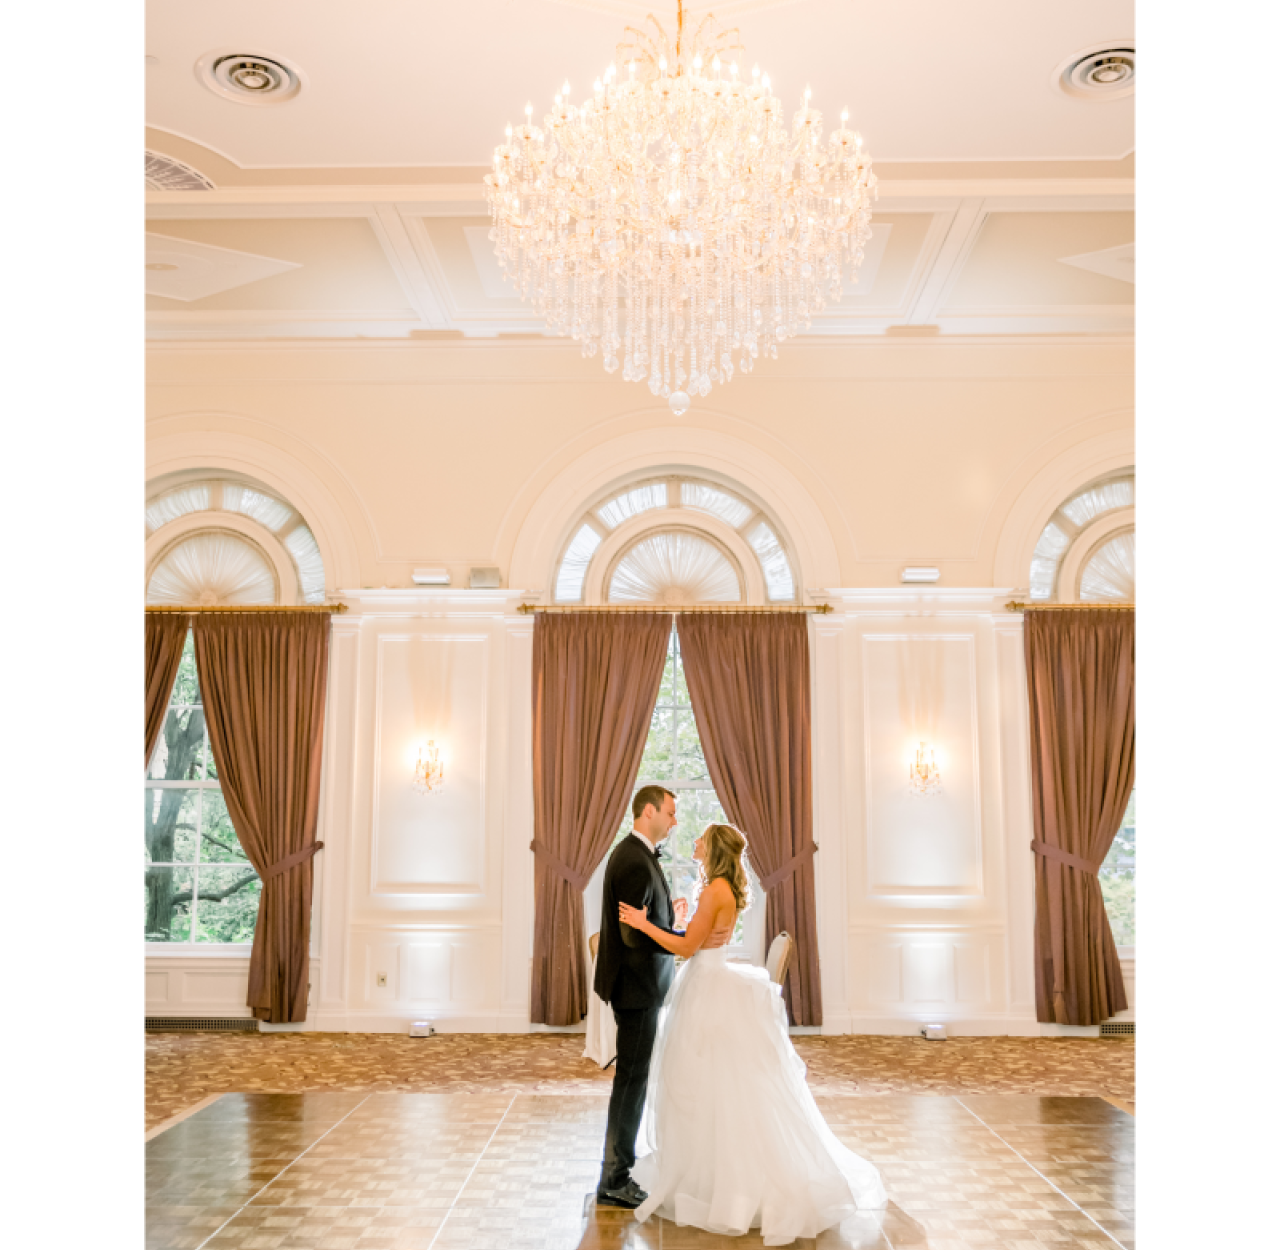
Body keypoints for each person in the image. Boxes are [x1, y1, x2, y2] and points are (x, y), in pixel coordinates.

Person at [619, 821, 888, 1246]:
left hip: (707, 989)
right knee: (717, 1087)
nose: (694, 842)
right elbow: (703, 937)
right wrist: (683, 919)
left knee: (709, 1087)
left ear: (714, 849)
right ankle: (715, 1172)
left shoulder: (715, 891)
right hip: (712, 979)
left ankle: (722, 1183)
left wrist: (643, 922)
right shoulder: (722, 889)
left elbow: (688, 948)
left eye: (700, 840)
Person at [593, 784, 733, 1210]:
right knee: (631, 1082)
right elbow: (631, 934)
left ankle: (618, 1170)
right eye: (670, 813)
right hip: (636, 989)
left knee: (633, 1080)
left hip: (640, 986)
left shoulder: (638, 855)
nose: (674, 822)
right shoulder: (633, 859)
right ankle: (615, 1177)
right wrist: (677, 936)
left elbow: (643, 918)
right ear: (648, 811)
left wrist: (666, 916)